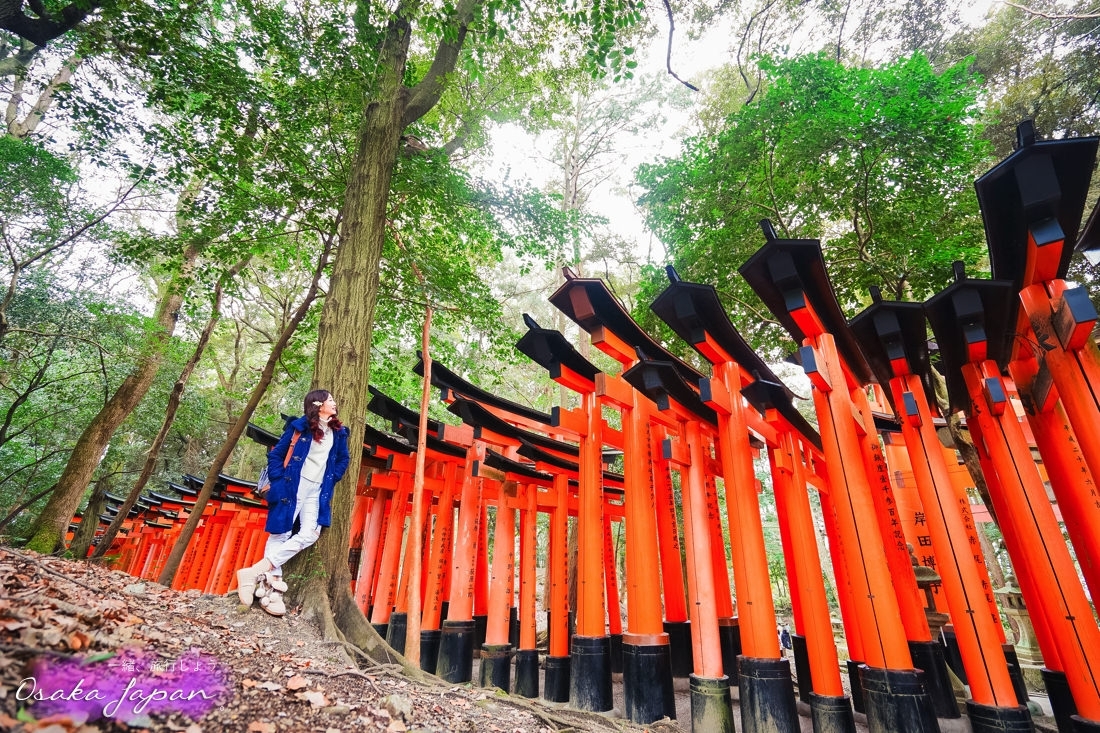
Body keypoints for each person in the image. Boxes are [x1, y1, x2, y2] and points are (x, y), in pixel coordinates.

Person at [236, 389, 350, 616]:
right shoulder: (299, 427)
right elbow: (276, 455)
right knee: (281, 532)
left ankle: (255, 572)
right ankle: (272, 591)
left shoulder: (338, 433)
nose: (335, 403)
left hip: (317, 490)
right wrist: (279, 481)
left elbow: (343, 459)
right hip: (292, 485)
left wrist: (333, 476)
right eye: (330, 400)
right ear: (318, 405)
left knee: (310, 532)